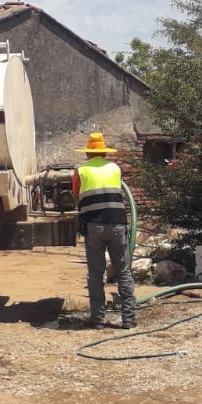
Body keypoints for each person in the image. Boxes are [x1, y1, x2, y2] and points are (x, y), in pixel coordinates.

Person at [72, 132, 136, 328]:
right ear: (104, 153)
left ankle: (98, 319)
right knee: (123, 271)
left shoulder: (80, 170)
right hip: (117, 223)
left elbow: (76, 195)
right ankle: (129, 319)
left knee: (96, 272)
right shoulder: (115, 168)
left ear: (88, 153)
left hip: (94, 226)